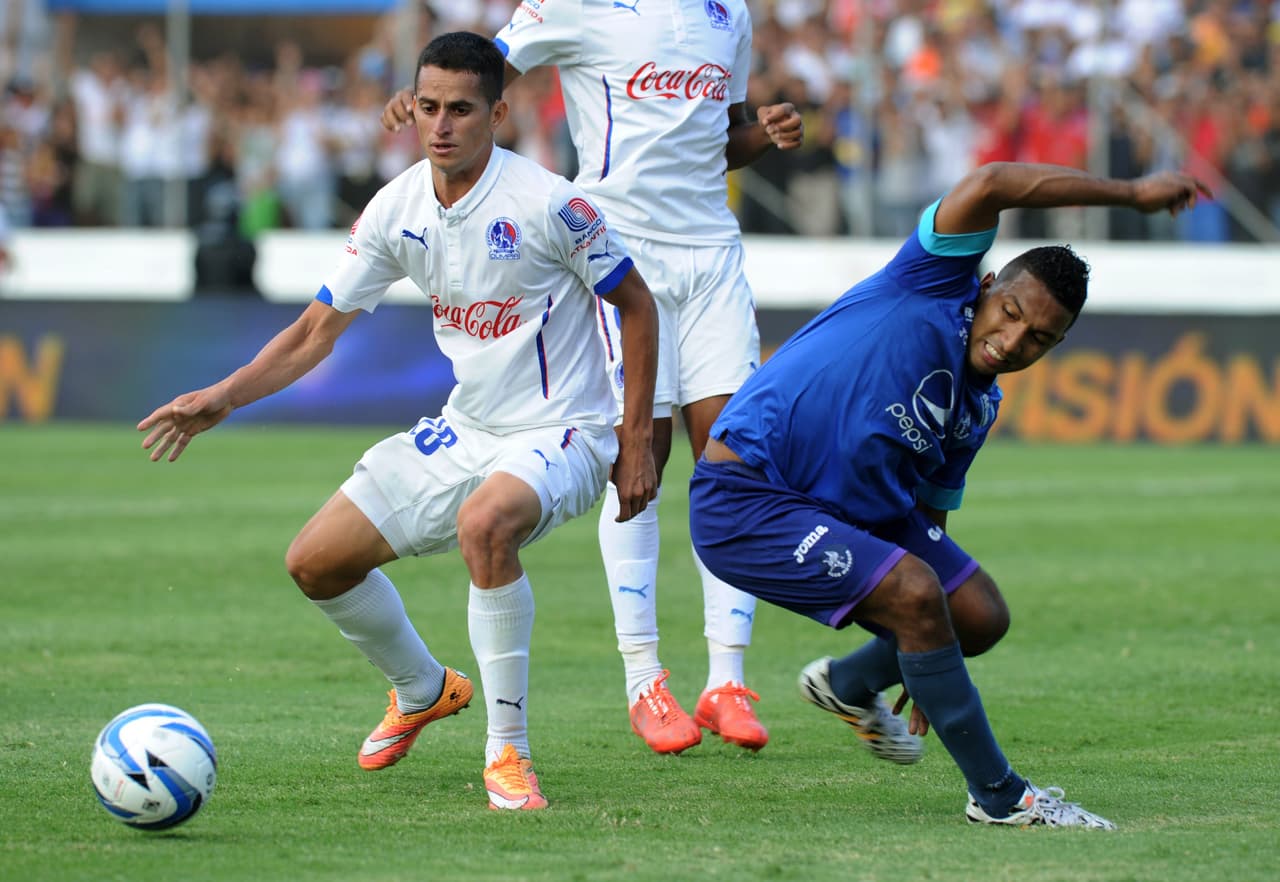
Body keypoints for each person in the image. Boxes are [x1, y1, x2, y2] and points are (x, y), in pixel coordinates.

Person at [138, 32, 658, 812]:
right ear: (411, 107)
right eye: (428, 107)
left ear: (498, 113)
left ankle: (508, 755)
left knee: (488, 524)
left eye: (460, 109)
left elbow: (637, 303)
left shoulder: (551, 204)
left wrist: (636, 436)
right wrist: (224, 395)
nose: (441, 125)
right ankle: (421, 688)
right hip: (469, 426)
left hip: (566, 431)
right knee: (315, 562)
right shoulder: (399, 206)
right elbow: (316, 332)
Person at [688, 161, 1210, 827]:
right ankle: (1002, 799)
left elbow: (928, 512)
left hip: (844, 513)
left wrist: (924, 652)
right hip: (748, 498)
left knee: (978, 614)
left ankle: (847, 685)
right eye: (1010, 313)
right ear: (988, 286)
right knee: (914, 595)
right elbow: (992, 183)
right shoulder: (930, 281)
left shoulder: (977, 408)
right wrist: (1131, 193)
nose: (1013, 342)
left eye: (1040, 340)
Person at [383, 0, 804, 756]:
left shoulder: (727, 14)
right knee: (639, 456)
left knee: (740, 458)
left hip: (711, 252)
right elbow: (484, 70)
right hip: (618, 250)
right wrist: (423, 101)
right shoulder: (572, 7)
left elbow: (720, 138)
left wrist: (762, 135)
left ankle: (727, 678)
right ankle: (645, 677)